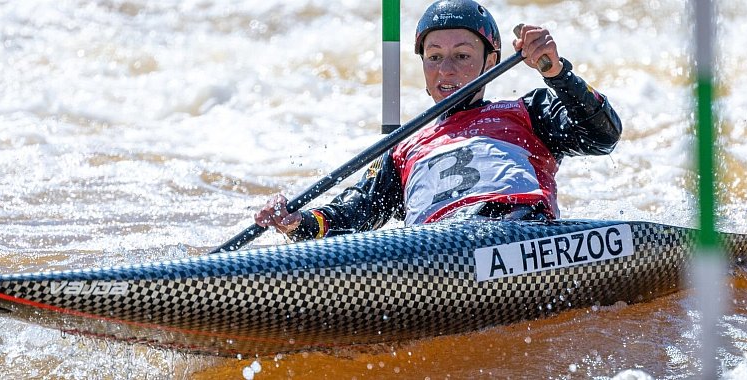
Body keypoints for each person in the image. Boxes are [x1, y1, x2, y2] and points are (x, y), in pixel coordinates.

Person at [255, 0, 622, 241]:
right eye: (434, 57)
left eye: (462, 56)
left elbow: (603, 135)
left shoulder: (529, 111)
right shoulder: (401, 147)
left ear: (490, 62)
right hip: (434, 252)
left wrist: (556, 72)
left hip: (518, 233)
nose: (446, 70)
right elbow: (355, 214)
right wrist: (298, 222)